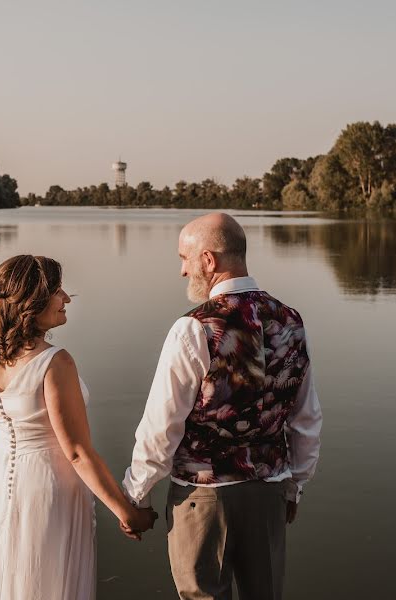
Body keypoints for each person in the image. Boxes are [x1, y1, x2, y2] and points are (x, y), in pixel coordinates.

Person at [122, 213, 323, 600]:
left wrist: (137, 495)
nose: (182, 270)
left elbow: (162, 427)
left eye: (185, 258)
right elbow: (306, 418)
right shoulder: (291, 321)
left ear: (209, 261)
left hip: (204, 497)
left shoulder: (194, 327)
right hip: (269, 490)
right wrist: (295, 487)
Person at [0, 254, 156, 600]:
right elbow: (78, 452)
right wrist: (127, 512)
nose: (66, 298)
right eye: (58, 290)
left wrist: (1, 496)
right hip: (49, 489)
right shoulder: (55, 362)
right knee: (46, 581)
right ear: (32, 301)